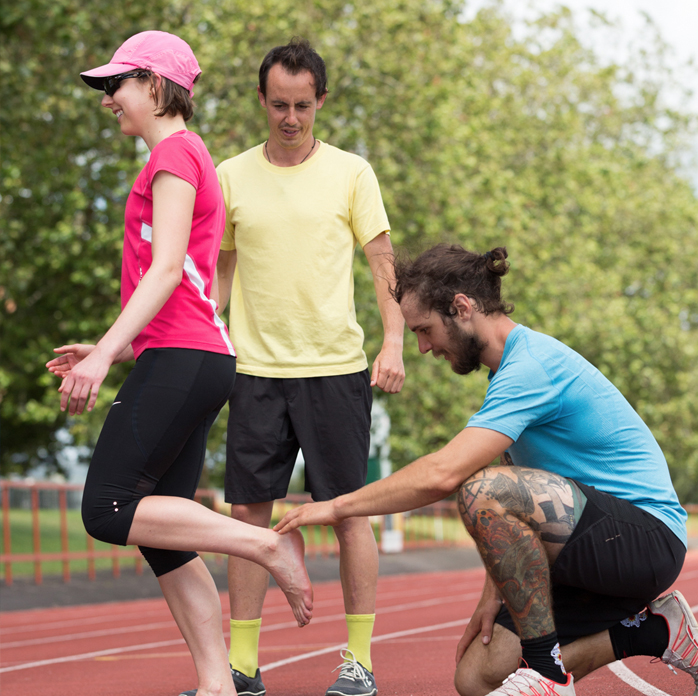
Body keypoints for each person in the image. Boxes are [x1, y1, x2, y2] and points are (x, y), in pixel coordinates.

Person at [275, 244, 698, 696]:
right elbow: (520, 502)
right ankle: (652, 631)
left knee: (480, 487)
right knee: (478, 678)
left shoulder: (531, 367)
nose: (424, 347)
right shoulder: (504, 374)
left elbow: (445, 475)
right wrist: (494, 594)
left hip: (643, 540)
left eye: (425, 330)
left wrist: (337, 507)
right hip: (581, 544)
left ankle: (547, 672)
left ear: (462, 308)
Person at [46, 31, 312, 696]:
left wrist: (108, 353)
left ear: (157, 88)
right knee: (165, 534)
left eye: (119, 84)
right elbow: (184, 279)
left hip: (185, 357)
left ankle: (263, 543)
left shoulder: (173, 156)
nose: (109, 98)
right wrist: (115, 342)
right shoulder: (187, 156)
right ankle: (217, 685)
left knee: (106, 508)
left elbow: (166, 269)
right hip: (186, 354)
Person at [212, 37, 405, 696]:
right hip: (256, 369)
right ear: (262, 101)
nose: (290, 118)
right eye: (278, 105)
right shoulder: (230, 175)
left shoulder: (352, 173)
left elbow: (384, 265)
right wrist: (208, 340)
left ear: (320, 101)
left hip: (334, 369)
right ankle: (241, 666)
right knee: (247, 516)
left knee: (350, 513)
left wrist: (394, 342)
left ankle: (359, 663)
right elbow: (220, 271)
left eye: (302, 105)